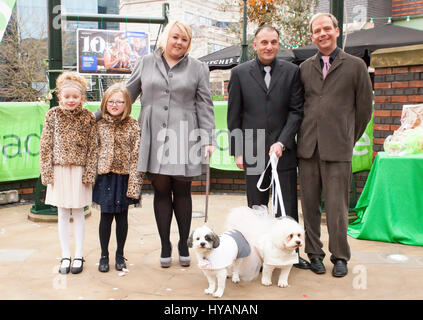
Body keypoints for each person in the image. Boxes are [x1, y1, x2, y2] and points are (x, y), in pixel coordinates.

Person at [125, 21, 216, 268]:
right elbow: (126, 95)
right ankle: (165, 244)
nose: (179, 42)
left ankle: (182, 244)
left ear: (189, 44)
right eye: (175, 37)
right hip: (152, 134)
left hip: (185, 135)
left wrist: (208, 138)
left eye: (184, 39)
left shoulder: (198, 68)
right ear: (166, 38)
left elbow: (204, 104)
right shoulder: (145, 62)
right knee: (162, 191)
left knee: (183, 191)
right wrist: (103, 114)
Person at [227, 25, 309, 269]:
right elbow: (234, 116)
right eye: (264, 42)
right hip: (252, 150)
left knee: (287, 206)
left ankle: (292, 256)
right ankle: (259, 256)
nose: (269, 46)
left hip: (283, 151)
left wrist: (282, 141)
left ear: (278, 43)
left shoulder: (292, 72)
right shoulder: (239, 73)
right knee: (257, 208)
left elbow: (296, 111)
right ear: (255, 45)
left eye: (273, 42)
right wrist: (238, 150)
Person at [297, 13, 373, 277]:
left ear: (337, 31)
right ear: (312, 36)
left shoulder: (355, 66)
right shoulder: (304, 68)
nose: (322, 34)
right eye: (316, 31)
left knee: (337, 207)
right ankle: (314, 254)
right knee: (309, 206)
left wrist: (347, 137)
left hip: (338, 149)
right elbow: (300, 106)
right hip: (307, 148)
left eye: (326, 29)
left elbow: (364, 109)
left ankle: (340, 256)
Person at [40, 72, 97, 275]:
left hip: (80, 171)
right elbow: (45, 144)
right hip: (59, 169)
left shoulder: (88, 117)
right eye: (67, 97)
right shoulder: (52, 115)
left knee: (79, 212)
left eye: (75, 97)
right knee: (62, 213)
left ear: (81, 98)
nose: (70, 100)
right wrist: (46, 172)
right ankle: (65, 254)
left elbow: (93, 147)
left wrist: (90, 172)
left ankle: (79, 254)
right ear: (60, 97)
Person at [92, 83, 142, 273]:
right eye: (111, 101)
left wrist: (135, 181)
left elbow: (137, 153)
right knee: (105, 217)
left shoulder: (132, 125)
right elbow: (93, 150)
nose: (114, 105)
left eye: (119, 102)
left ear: (126, 104)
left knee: (122, 217)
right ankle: (104, 255)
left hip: (124, 177)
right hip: (105, 176)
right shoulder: (99, 124)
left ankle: (120, 255)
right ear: (105, 103)